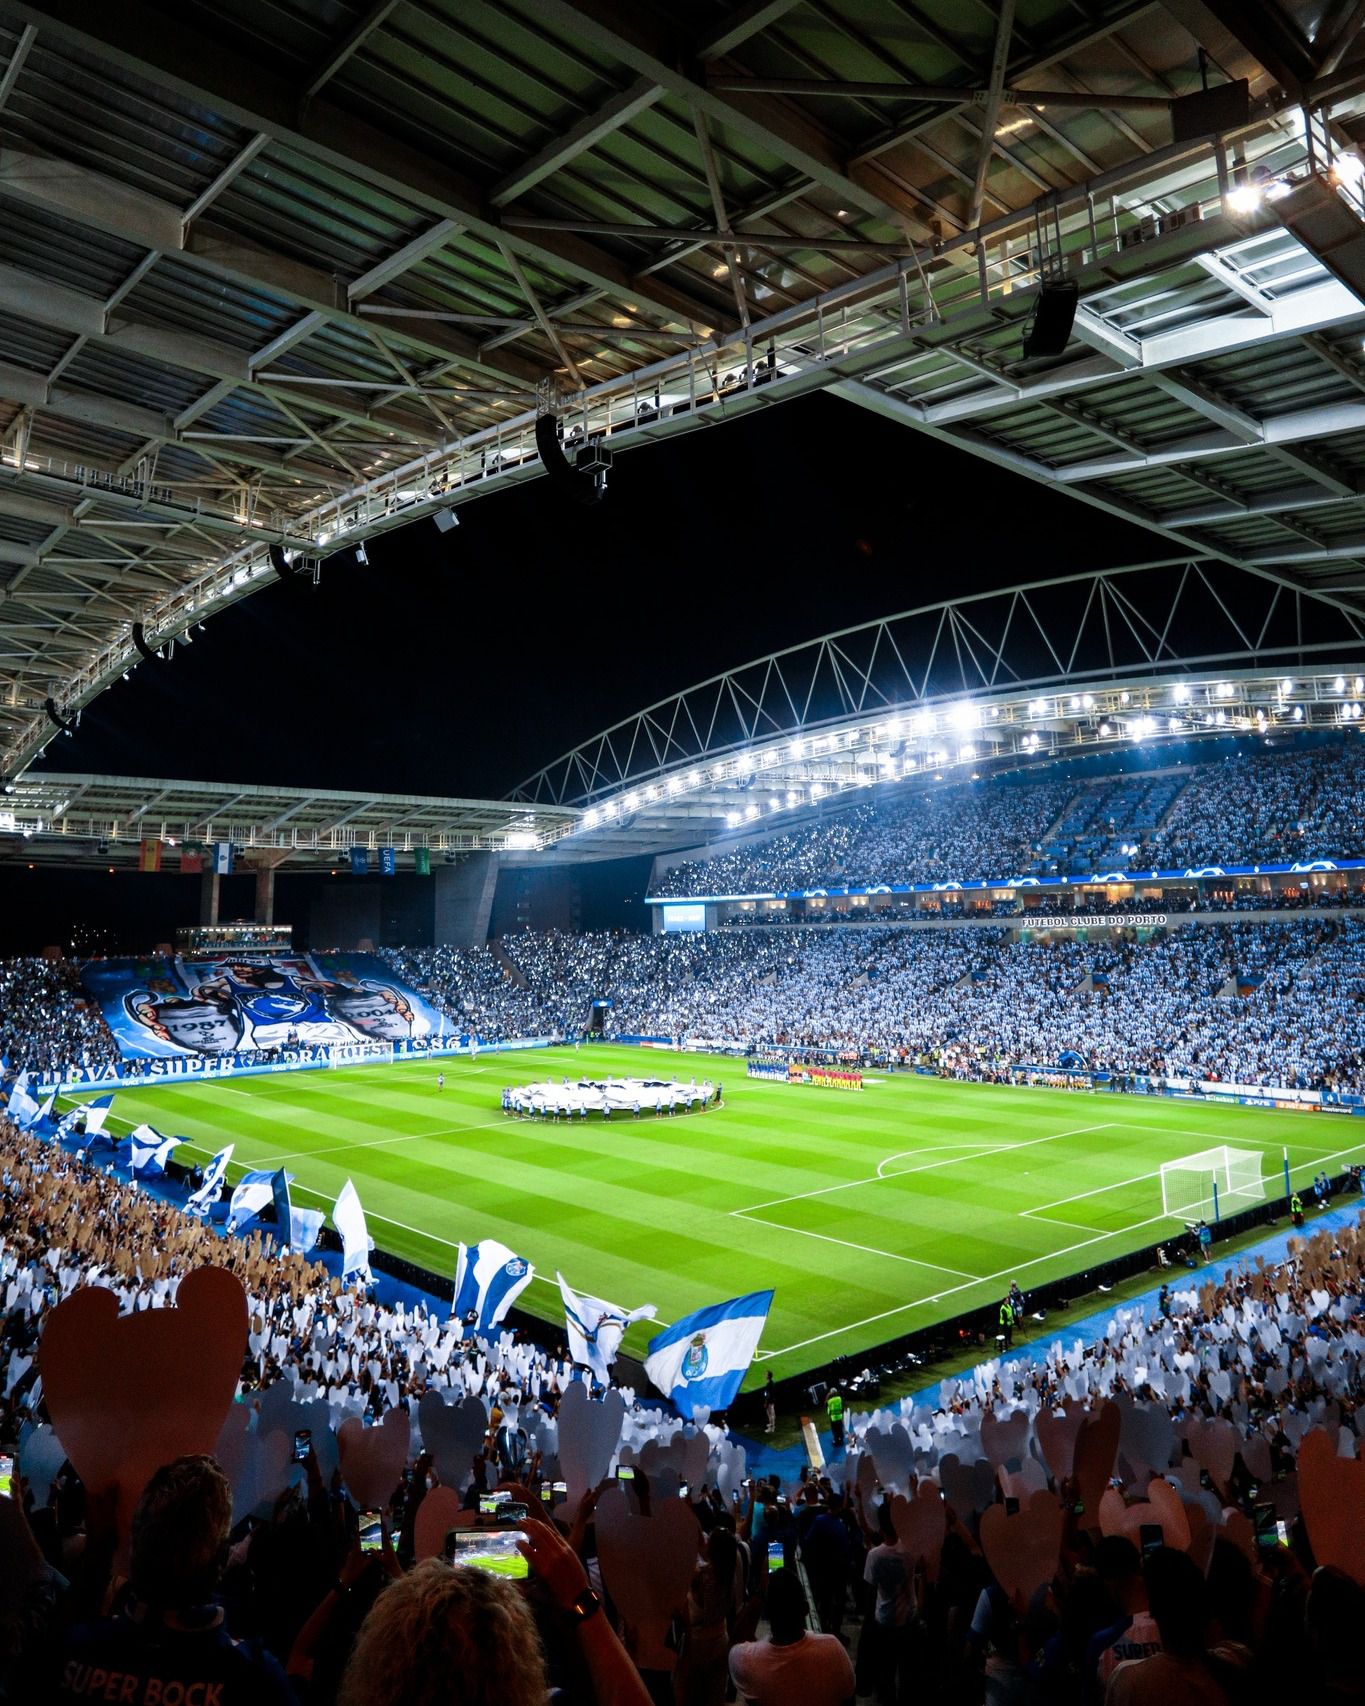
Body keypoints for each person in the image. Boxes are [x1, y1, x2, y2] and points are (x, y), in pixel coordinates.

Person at [54, 1455, 295, 1704]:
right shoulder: (255, 1681)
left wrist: (98, 1551)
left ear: (134, 1546)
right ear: (221, 1559)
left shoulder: (71, 1653)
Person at [729, 1568, 855, 1706]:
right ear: (806, 1609)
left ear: (766, 1612)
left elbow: (735, 1639)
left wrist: (760, 1592)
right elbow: (848, 1698)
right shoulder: (833, 1650)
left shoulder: (749, 1661)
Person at [764, 1371, 777, 1435]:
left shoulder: (769, 1384)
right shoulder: (771, 1382)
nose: (765, 1375)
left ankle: (771, 1428)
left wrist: (766, 1402)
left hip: (770, 1401)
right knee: (772, 1413)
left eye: (766, 1374)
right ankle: (771, 1425)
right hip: (772, 1400)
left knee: (770, 1414)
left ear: (768, 1376)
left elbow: (768, 1394)